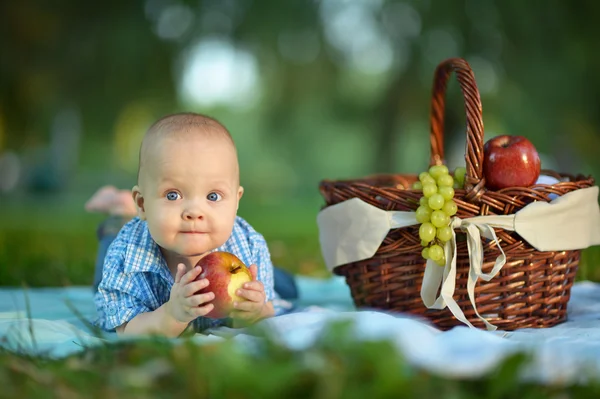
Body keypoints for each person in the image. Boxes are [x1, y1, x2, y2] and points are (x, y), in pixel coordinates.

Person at [92, 112, 296, 337]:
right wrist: (172, 315)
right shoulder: (125, 255)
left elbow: (266, 314)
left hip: (236, 260)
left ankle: (124, 208)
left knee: (289, 287)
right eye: (172, 195)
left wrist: (253, 312)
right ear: (143, 203)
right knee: (105, 261)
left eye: (213, 196)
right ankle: (117, 217)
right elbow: (127, 330)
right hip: (133, 247)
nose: (194, 212)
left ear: (236, 202)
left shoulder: (249, 246)